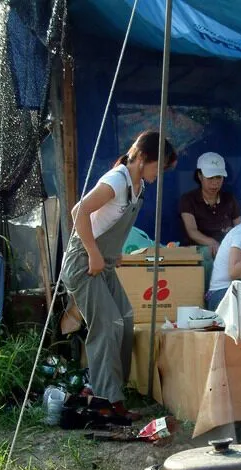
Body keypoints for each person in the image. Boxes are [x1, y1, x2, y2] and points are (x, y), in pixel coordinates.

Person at [61, 130, 177, 420]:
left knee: (124, 320)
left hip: (104, 264)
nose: (158, 174)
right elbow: (79, 211)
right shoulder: (117, 179)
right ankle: (104, 402)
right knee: (107, 325)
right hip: (83, 262)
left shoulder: (138, 187)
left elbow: (111, 224)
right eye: (157, 167)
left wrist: (113, 252)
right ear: (144, 159)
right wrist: (94, 252)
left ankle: (114, 391)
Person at [179, 152, 241, 257]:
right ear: (199, 176)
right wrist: (212, 243)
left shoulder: (229, 199)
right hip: (199, 252)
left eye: (218, 178)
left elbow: (239, 227)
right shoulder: (188, 200)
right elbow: (192, 230)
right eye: (210, 178)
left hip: (227, 249)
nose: (215, 183)